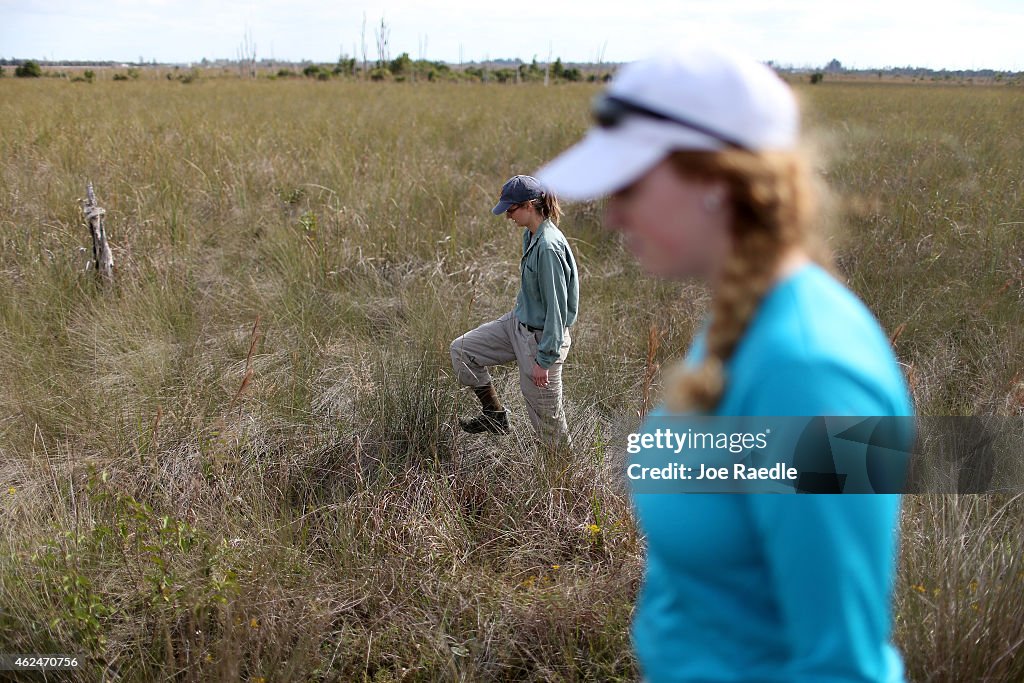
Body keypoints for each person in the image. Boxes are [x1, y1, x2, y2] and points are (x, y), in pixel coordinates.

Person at [537, 45, 914, 682]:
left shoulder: (812, 371)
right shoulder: (739, 321)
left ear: (716, 181)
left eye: (630, 183)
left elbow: (843, 667)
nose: (611, 212)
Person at [450, 175, 578, 448]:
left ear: (529, 206)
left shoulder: (548, 247)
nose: (508, 216)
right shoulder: (530, 235)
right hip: (517, 324)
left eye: (511, 210)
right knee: (462, 350)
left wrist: (544, 360)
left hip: (541, 340)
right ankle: (494, 415)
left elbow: (556, 309)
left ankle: (566, 484)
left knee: (549, 428)